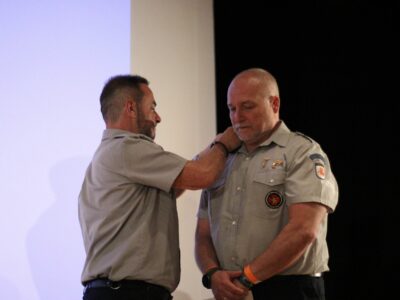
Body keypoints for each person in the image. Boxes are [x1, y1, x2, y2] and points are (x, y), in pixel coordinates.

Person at [78, 74, 241, 300]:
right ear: (131, 108)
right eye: (152, 107)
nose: (158, 117)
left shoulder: (108, 155)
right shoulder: (128, 148)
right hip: (128, 294)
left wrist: (210, 150)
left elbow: (177, 183)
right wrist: (224, 143)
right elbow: (202, 175)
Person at [195, 68, 339, 300]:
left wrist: (247, 278)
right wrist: (212, 274)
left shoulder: (302, 152)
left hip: (288, 289)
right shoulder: (222, 158)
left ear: (274, 103)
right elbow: (203, 234)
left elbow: (304, 230)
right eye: (232, 109)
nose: (237, 117)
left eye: (247, 106)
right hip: (230, 290)